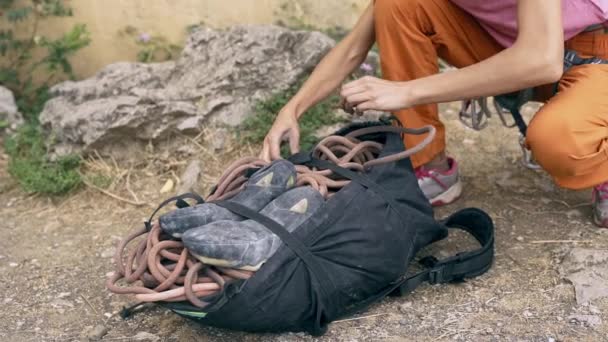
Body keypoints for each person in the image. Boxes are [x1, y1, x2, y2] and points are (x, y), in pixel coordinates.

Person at [260, 0, 608, 228]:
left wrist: (405, 91)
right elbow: (354, 45)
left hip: (593, 52)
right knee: (397, 4)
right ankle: (430, 165)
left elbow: (540, 60)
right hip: (515, 44)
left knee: (558, 139)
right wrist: (292, 109)